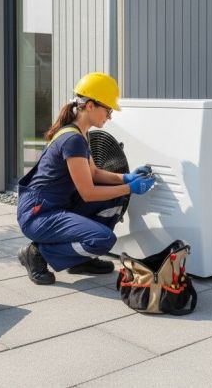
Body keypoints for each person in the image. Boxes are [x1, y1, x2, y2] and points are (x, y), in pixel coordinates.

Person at [17, 72, 155, 285]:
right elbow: (88, 193)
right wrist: (130, 188)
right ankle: (37, 253)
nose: (109, 116)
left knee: (115, 200)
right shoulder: (72, 139)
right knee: (104, 239)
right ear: (90, 105)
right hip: (39, 214)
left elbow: (94, 173)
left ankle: (79, 260)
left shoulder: (81, 134)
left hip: (57, 206)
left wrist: (126, 178)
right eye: (108, 110)